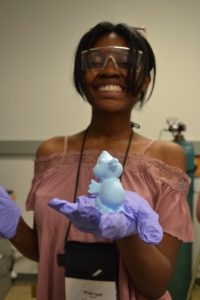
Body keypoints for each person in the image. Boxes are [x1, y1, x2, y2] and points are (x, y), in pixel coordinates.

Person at [0, 21, 194, 300]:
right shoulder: (50, 152)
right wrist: (13, 225)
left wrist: (127, 233)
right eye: (96, 60)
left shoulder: (165, 158)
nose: (110, 69)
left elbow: (156, 284)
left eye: (126, 61)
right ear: (81, 74)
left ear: (145, 80)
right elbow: (46, 249)